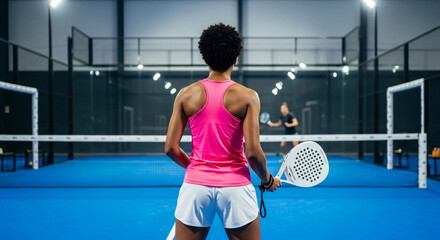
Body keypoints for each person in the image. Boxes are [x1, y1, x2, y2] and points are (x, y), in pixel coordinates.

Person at [165, 23, 281, 240]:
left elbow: (170, 148)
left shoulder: (184, 95)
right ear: (235, 59)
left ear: (205, 57)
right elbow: (253, 153)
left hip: (195, 187)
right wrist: (267, 180)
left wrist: (198, 167)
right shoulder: (248, 96)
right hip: (235, 188)